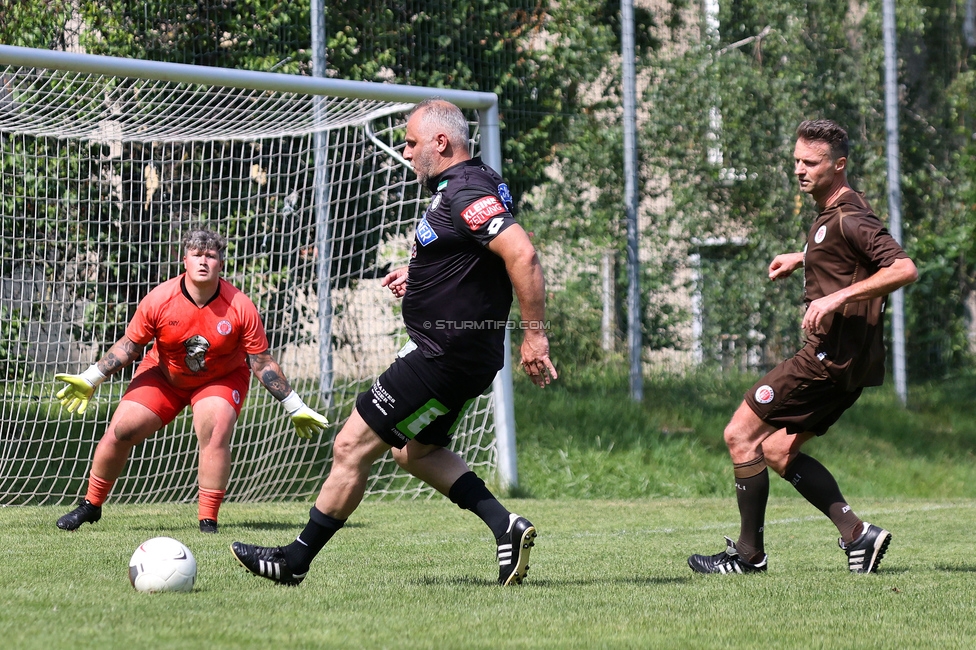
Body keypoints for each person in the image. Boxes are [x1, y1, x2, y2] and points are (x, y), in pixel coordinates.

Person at [230, 98, 557, 587]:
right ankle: (504, 526)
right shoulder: (475, 181)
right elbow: (477, 258)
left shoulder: (466, 190)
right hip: (464, 355)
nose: (406, 152)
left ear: (441, 143)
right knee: (416, 452)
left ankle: (294, 561)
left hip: (440, 355)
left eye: (411, 142)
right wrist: (422, 275)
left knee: (349, 446)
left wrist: (534, 337)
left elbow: (522, 254)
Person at [688, 119, 918, 575]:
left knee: (740, 435)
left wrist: (834, 297)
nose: (799, 169)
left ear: (839, 165)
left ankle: (748, 556)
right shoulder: (832, 215)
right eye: (796, 160)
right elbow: (844, 254)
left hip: (824, 360)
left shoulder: (851, 216)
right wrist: (804, 257)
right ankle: (858, 535)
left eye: (810, 162)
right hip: (850, 365)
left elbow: (904, 268)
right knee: (776, 450)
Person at [55, 228, 328, 534]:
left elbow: (261, 362)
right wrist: (92, 377)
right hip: (164, 374)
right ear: (183, 260)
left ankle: (207, 522)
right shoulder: (159, 299)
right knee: (121, 429)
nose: (203, 261)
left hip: (221, 378)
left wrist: (294, 405)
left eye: (210, 256)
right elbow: (130, 346)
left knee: (214, 426)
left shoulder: (240, 305)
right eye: (196, 255)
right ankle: (90, 505)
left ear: (220, 264)